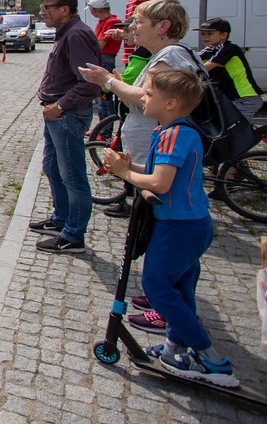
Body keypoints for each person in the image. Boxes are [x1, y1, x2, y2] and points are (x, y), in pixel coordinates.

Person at [102, 68, 239, 388]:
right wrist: (124, 166)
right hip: (190, 224)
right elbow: (154, 172)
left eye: (149, 95)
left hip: (179, 227)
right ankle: (177, 347)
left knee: (158, 287)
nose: (143, 98)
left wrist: (127, 174)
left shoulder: (176, 135)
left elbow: (159, 184)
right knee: (179, 289)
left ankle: (211, 358)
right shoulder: (174, 130)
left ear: (171, 103)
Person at [80, 0, 202, 332]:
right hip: (152, 152)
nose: (133, 26)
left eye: (139, 21)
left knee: (160, 230)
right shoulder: (162, 56)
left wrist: (107, 80)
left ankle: (168, 305)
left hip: (156, 157)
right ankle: (164, 295)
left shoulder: (171, 57)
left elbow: (143, 98)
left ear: (163, 26)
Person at [29, 0, 102, 254]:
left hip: (66, 114)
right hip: (57, 114)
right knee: (53, 167)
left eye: (47, 7)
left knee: (72, 175)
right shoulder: (68, 33)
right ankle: (61, 219)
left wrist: (60, 105)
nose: (42, 12)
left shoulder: (76, 34)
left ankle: (73, 235)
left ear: (65, 9)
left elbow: (90, 84)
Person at [196, 17, 263, 119]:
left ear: (223, 35)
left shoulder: (229, 49)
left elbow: (205, 67)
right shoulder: (209, 49)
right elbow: (192, 59)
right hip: (230, 98)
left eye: (209, 34)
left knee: (232, 129)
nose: (205, 37)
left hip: (245, 99)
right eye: (203, 34)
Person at [87, 0, 122, 139]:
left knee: (104, 98)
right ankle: (101, 128)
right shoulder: (103, 22)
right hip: (102, 58)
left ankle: (105, 132)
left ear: (95, 10)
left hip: (105, 59)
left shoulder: (112, 22)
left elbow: (100, 45)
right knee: (99, 98)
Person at [118, 0, 166, 65]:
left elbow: (158, 27)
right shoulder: (130, 2)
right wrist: (120, 33)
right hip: (131, 54)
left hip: (147, 54)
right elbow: (130, 27)